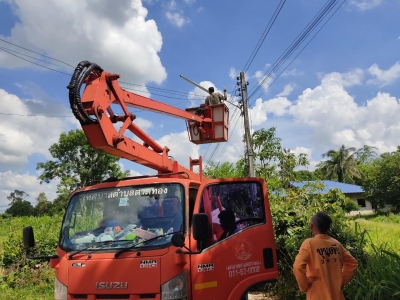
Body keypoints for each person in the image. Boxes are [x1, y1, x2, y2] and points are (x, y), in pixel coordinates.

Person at [293, 211, 358, 300]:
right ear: (328, 227)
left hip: (317, 294)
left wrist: (304, 285)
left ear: (311, 226)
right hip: (337, 294)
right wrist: (342, 280)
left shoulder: (309, 244)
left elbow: (298, 267)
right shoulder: (336, 244)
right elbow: (352, 263)